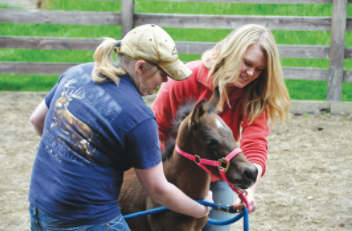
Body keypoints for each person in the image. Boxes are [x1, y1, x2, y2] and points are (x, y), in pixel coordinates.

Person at [28, 24, 213, 231]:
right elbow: (157, 189)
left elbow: (37, 119)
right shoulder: (140, 118)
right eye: (163, 74)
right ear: (140, 67)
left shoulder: (78, 72)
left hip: (40, 205)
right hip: (87, 219)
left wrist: (67, 152)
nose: (165, 81)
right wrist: (201, 208)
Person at [152, 24, 291, 231]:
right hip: (172, 174)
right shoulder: (185, 78)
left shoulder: (254, 93)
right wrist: (159, 180)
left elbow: (255, 142)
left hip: (218, 174)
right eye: (247, 63)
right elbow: (156, 129)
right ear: (232, 52)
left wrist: (250, 191)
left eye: (260, 69)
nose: (251, 73)